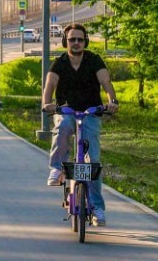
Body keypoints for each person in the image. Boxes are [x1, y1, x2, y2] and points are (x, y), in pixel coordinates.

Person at [40, 22, 118, 226]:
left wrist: (112, 101)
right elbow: (50, 85)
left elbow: (106, 82)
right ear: (66, 41)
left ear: (85, 42)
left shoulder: (94, 60)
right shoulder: (60, 63)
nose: (76, 43)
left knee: (93, 162)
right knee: (64, 126)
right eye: (72, 39)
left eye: (80, 39)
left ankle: (98, 208)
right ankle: (57, 167)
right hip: (66, 110)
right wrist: (46, 104)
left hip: (91, 113)